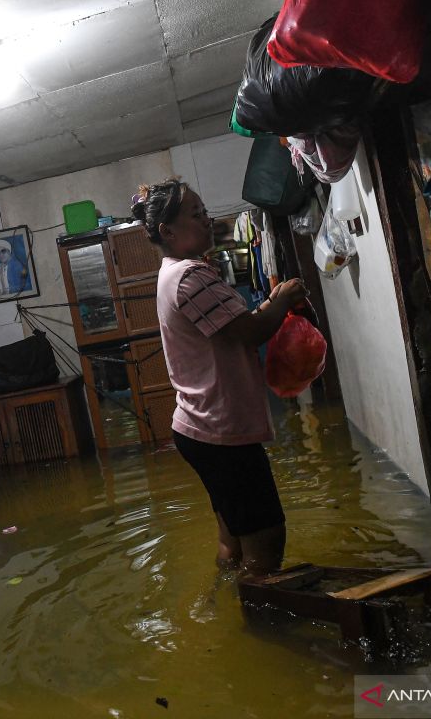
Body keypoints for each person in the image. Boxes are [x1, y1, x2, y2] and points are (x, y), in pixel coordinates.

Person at [130, 177, 308, 578]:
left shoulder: (175, 272)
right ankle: (259, 625)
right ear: (168, 231)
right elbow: (250, 332)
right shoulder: (191, 277)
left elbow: (232, 326)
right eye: (197, 215)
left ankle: (221, 602)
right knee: (266, 537)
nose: (207, 220)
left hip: (200, 428)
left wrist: (266, 305)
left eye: (205, 211)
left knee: (233, 534)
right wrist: (280, 302)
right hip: (220, 430)